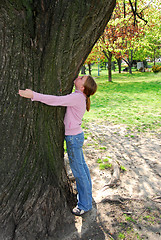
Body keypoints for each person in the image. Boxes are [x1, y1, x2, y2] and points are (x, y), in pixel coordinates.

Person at [19, 75, 97, 216]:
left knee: (79, 172)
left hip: (74, 138)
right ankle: (87, 199)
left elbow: (56, 100)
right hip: (76, 136)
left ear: (82, 87)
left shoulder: (77, 97)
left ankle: (84, 204)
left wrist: (33, 95)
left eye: (82, 78)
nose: (79, 76)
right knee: (82, 169)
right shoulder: (79, 96)